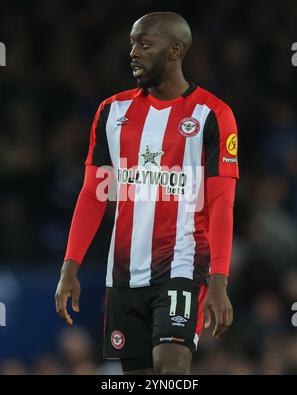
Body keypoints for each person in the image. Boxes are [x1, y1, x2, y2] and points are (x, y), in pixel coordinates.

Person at [55, 11, 239, 375]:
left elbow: (221, 202)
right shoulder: (112, 111)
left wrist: (219, 279)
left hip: (183, 266)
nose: (133, 52)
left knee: (170, 367)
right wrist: (69, 265)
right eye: (131, 44)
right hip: (123, 272)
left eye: (144, 44)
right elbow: (93, 194)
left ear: (174, 51)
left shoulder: (212, 115)